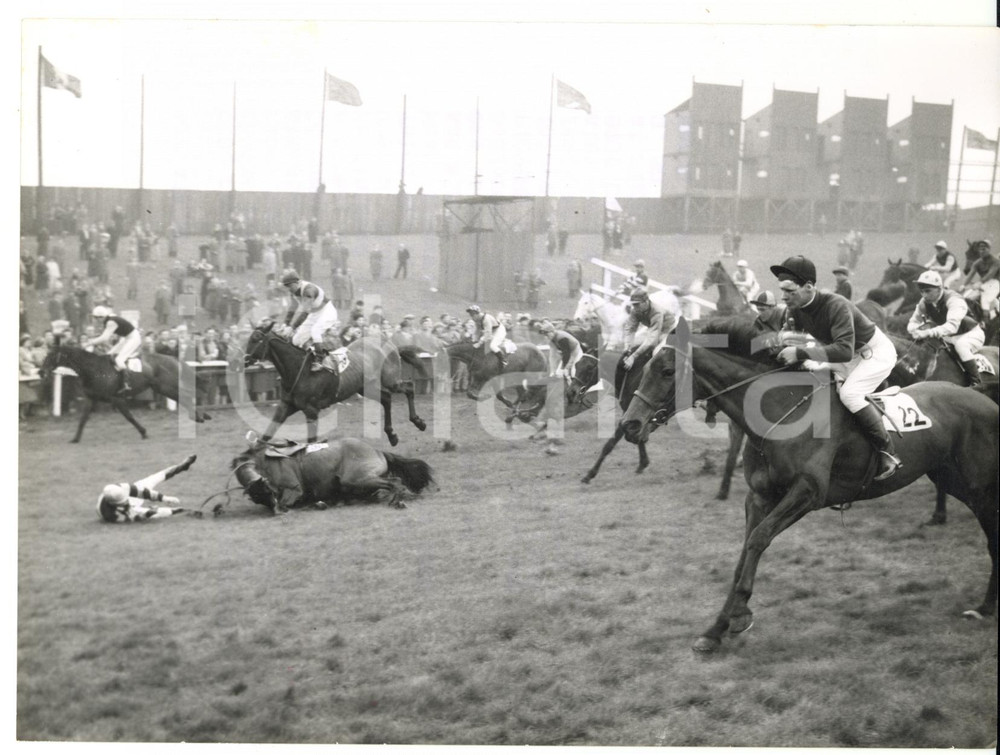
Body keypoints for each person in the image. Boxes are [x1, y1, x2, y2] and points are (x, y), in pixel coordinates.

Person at [770, 255, 901, 481]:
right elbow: (794, 339)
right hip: (847, 354)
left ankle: (887, 452)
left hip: (874, 354)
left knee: (849, 394)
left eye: (790, 291)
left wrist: (799, 352)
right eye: (782, 290)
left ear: (809, 287)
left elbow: (843, 351)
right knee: (815, 378)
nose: (784, 297)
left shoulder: (836, 304)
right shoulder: (796, 308)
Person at [907, 269, 986, 387]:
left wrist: (928, 332)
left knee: (961, 346)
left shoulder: (954, 300)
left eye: (928, 291)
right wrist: (916, 330)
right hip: (948, 337)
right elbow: (912, 322)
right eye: (922, 291)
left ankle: (976, 383)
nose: (924, 295)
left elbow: (952, 327)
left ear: (939, 289)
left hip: (970, 334)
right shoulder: (924, 302)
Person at [96, 455, 197, 523]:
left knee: (151, 479)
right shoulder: (110, 514)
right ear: (112, 504)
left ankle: (181, 467)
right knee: (154, 513)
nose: (126, 501)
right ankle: (182, 511)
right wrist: (149, 513)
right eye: (123, 501)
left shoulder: (120, 488)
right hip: (127, 511)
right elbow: (136, 517)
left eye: (125, 499)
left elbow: (143, 492)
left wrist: (164, 498)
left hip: (125, 503)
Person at [280, 269, 339, 354]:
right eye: (286, 287)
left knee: (315, 331)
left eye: (290, 286)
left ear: (298, 283)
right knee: (296, 340)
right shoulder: (294, 290)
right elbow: (293, 307)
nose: (288, 289)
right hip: (314, 313)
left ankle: (321, 358)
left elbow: (305, 312)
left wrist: (292, 327)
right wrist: (285, 323)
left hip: (327, 312)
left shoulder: (309, 290)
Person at [621, 287, 680, 371]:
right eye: (633, 304)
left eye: (637, 304)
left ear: (646, 301)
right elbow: (630, 329)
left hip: (670, 331)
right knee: (635, 346)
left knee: (656, 352)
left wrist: (633, 356)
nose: (635, 307)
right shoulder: (635, 311)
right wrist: (627, 347)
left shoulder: (657, 312)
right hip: (654, 329)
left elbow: (652, 341)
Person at [86, 306, 143, 394]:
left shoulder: (110, 322)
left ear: (103, 317)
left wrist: (90, 342)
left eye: (98, 318)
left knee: (119, 360)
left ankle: (126, 384)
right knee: (108, 355)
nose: (97, 320)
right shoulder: (109, 319)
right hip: (126, 338)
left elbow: (104, 338)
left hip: (133, 338)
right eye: (95, 318)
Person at [961, 240, 999, 322]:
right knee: (967, 297)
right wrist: (963, 285)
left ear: (988, 249)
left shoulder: (996, 261)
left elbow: (990, 274)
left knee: (985, 301)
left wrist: (980, 283)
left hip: (995, 284)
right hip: (985, 285)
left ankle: (986, 323)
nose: (982, 251)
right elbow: (970, 275)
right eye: (980, 249)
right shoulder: (977, 263)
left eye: (984, 249)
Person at [538, 320, 583, 385]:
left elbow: (567, 355)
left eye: (547, 334)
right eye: (544, 335)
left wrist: (564, 368)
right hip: (566, 353)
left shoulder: (561, 338)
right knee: (558, 373)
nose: (545, 337)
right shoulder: (551, 339)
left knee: (573, 371)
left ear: (552, 332)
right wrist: (552, 371)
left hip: (575, 351)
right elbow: (552, 355)